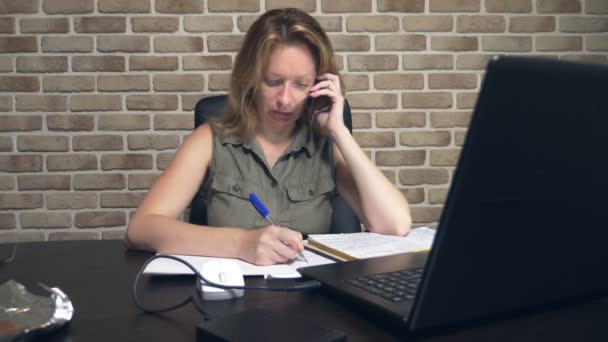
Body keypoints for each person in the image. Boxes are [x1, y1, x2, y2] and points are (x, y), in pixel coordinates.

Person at [125, 8, 412, 265]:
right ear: (250, 78)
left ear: (319, 85)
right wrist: (241, 244)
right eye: (272, 82)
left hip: (312, 306)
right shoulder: (209, 140)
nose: (285, 100)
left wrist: (339, 131)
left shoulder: (326, 144)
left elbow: (396, 224)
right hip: (229, 301)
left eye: (301, 84)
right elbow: (141, 228)